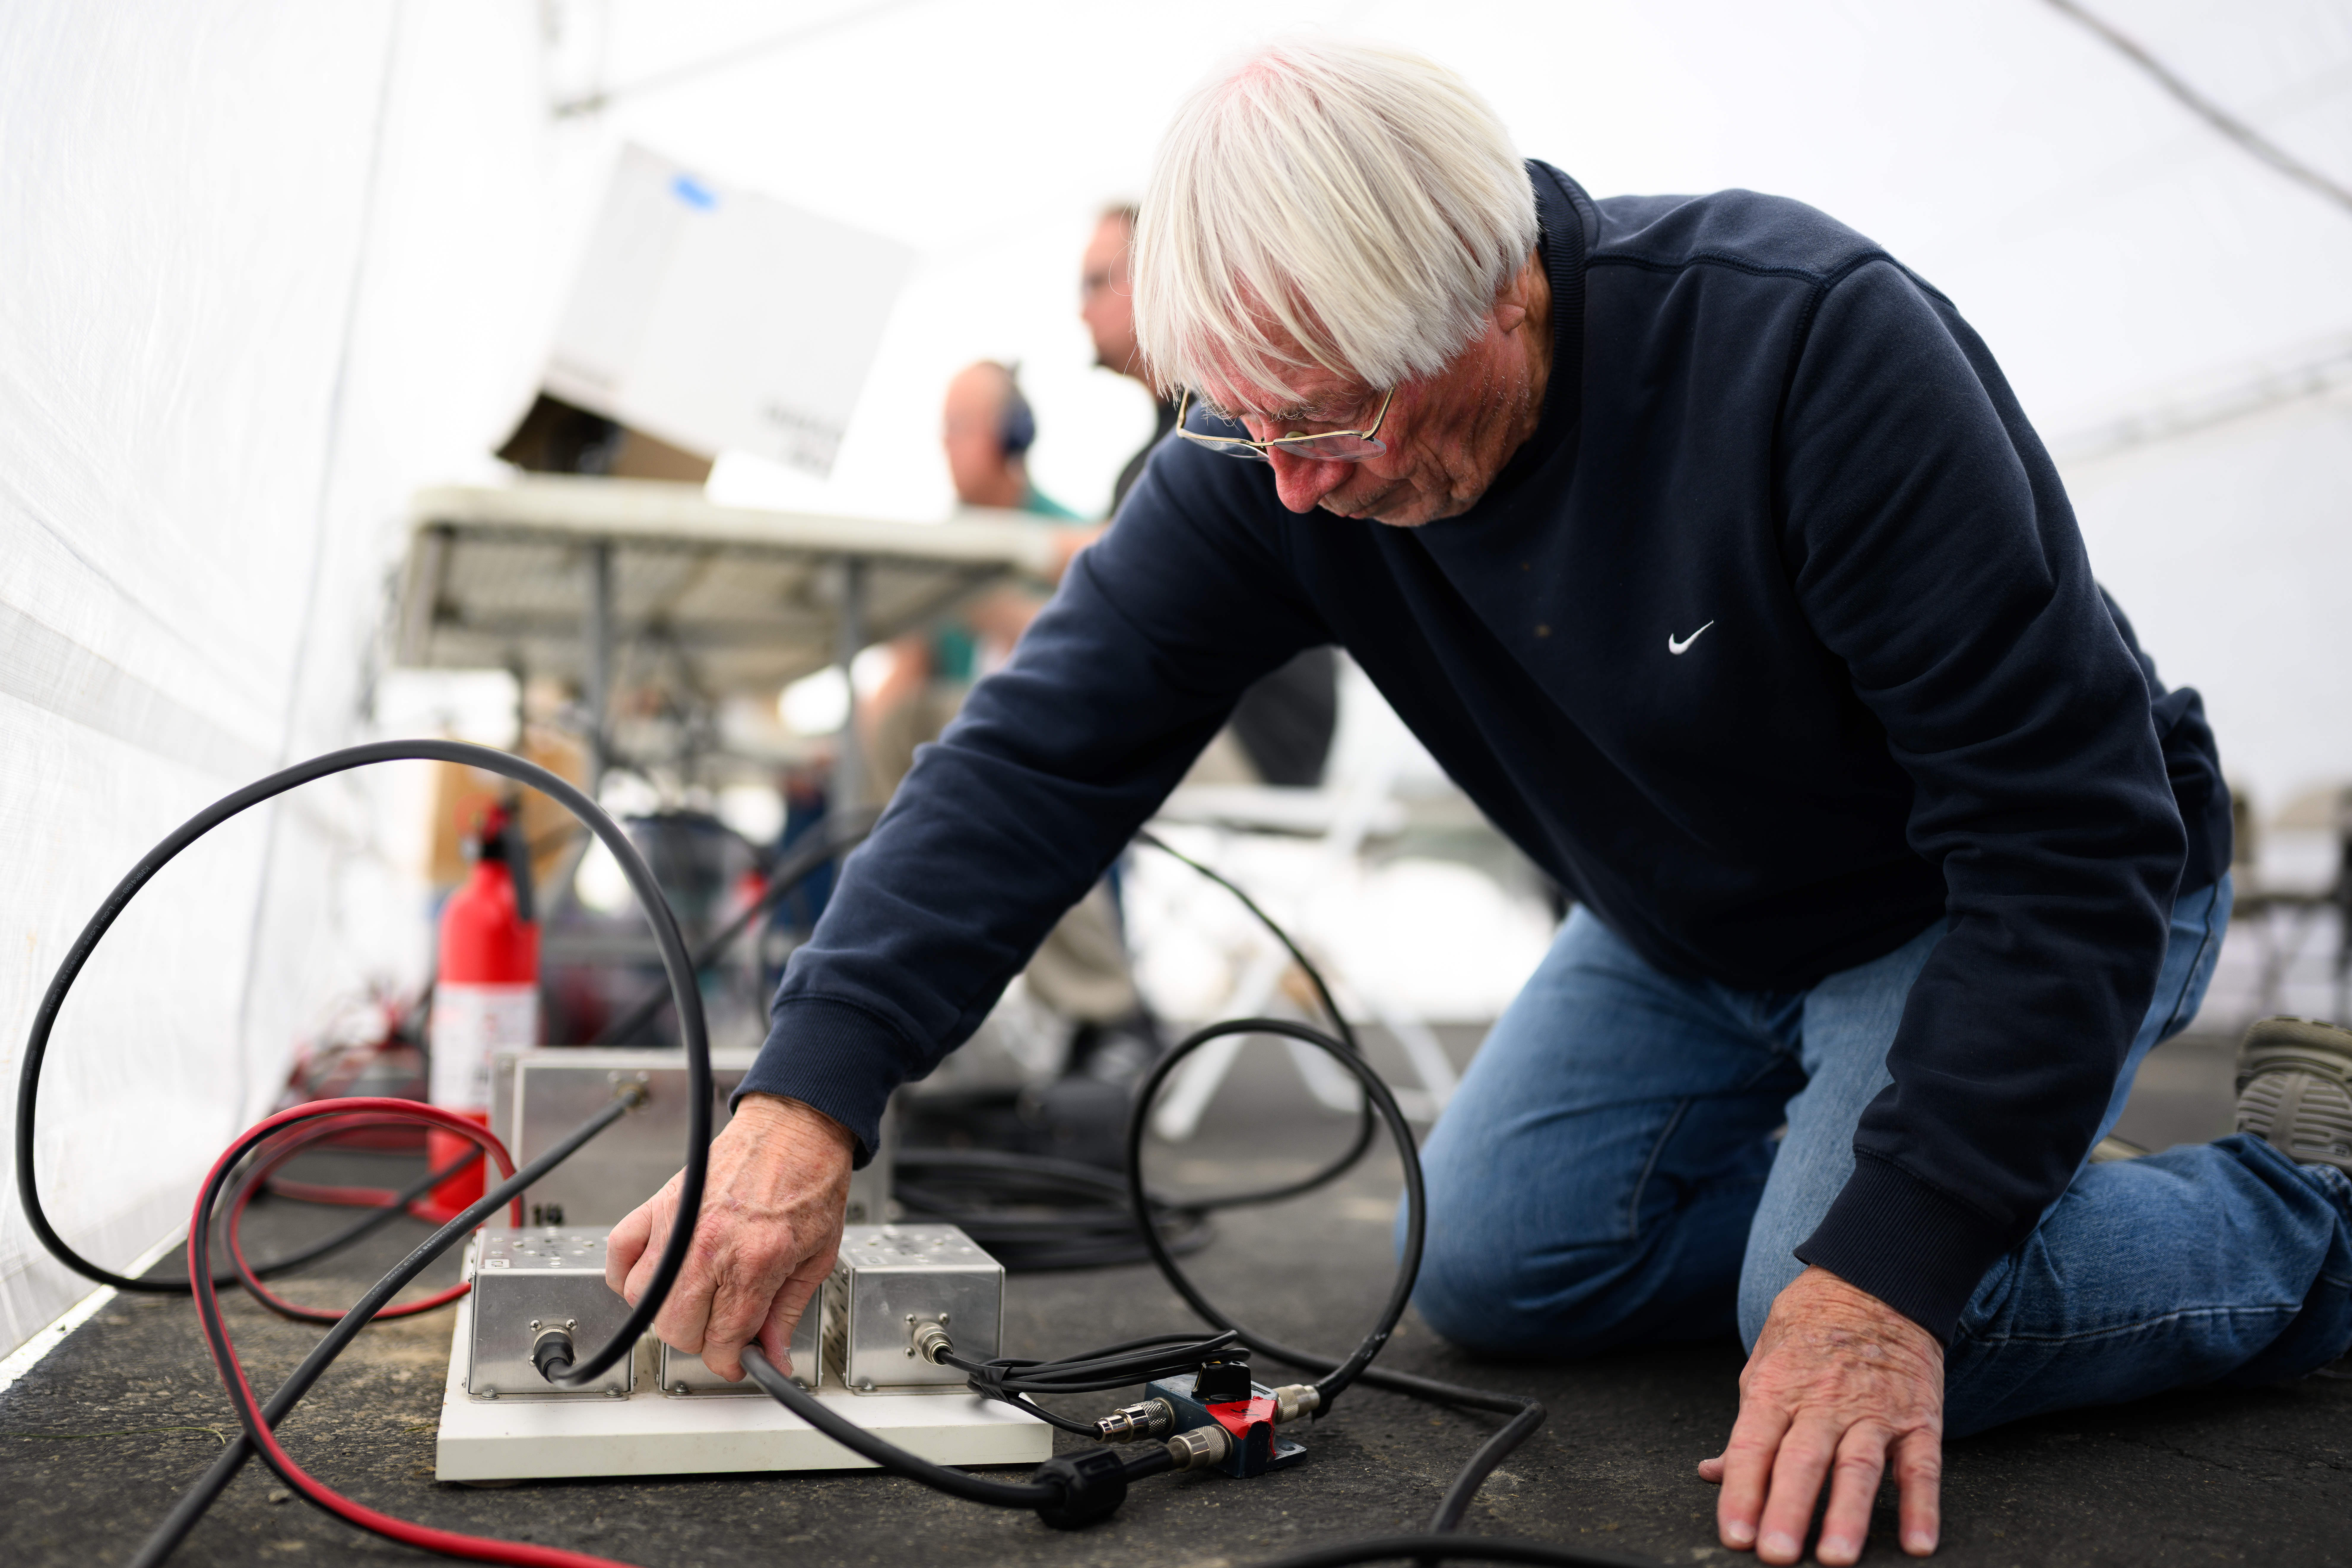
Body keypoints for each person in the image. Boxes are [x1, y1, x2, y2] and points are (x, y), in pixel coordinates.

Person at [607, 39, 2352, 1565]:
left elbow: (2064, 836)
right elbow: (1034, 753)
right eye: (1241, 424)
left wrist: (1881, 1266)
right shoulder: (1265, 454)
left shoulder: (1810, 352)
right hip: (1691, 920)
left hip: (1986, 894)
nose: (1286, 483)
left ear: (1502, 291)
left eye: (1326, 424)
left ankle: (2309, 1191)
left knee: (1865, 1304)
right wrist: (803, 1105)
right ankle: (1966, 1168)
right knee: (1501, 1263)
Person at [1083, 202, 1339, 789]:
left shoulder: (1224, 434)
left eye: (1099, 282)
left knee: (1047, 744)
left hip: (1252, 743)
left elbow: (1112, 618)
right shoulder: (1171, 448)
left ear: (1155, 284)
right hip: (1244, 734)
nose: (1080, 308)